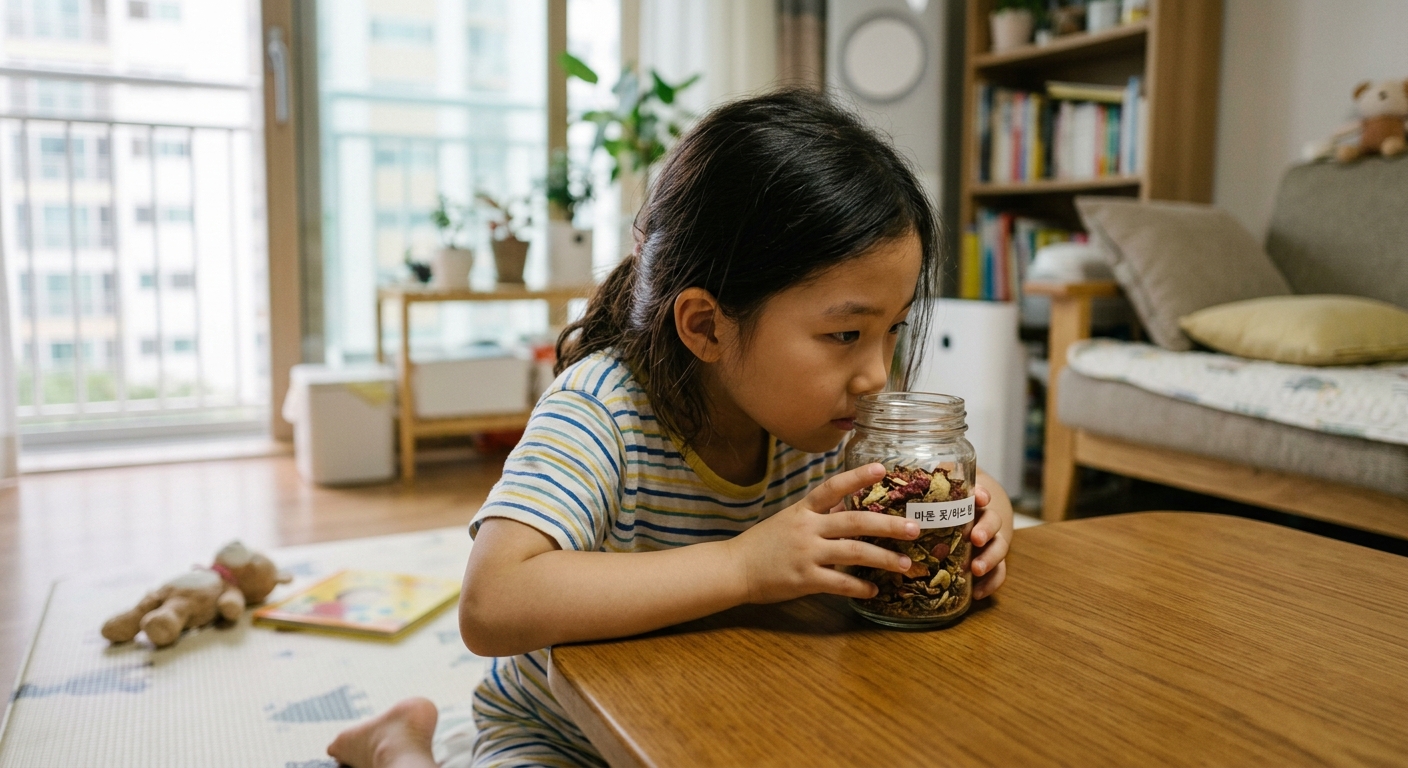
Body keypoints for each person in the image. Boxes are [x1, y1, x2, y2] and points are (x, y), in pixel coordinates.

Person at [327, 89, 1014, 768]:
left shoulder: (824, 421)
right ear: (707, 326)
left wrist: (985, 511)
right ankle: (399, 744)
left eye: (890, 333)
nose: (875, 376)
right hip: (567, 730)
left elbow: (939, 489)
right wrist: (743, 566)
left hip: (727, 715)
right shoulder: (599, 411)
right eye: (844, 333)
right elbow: (491, 604)